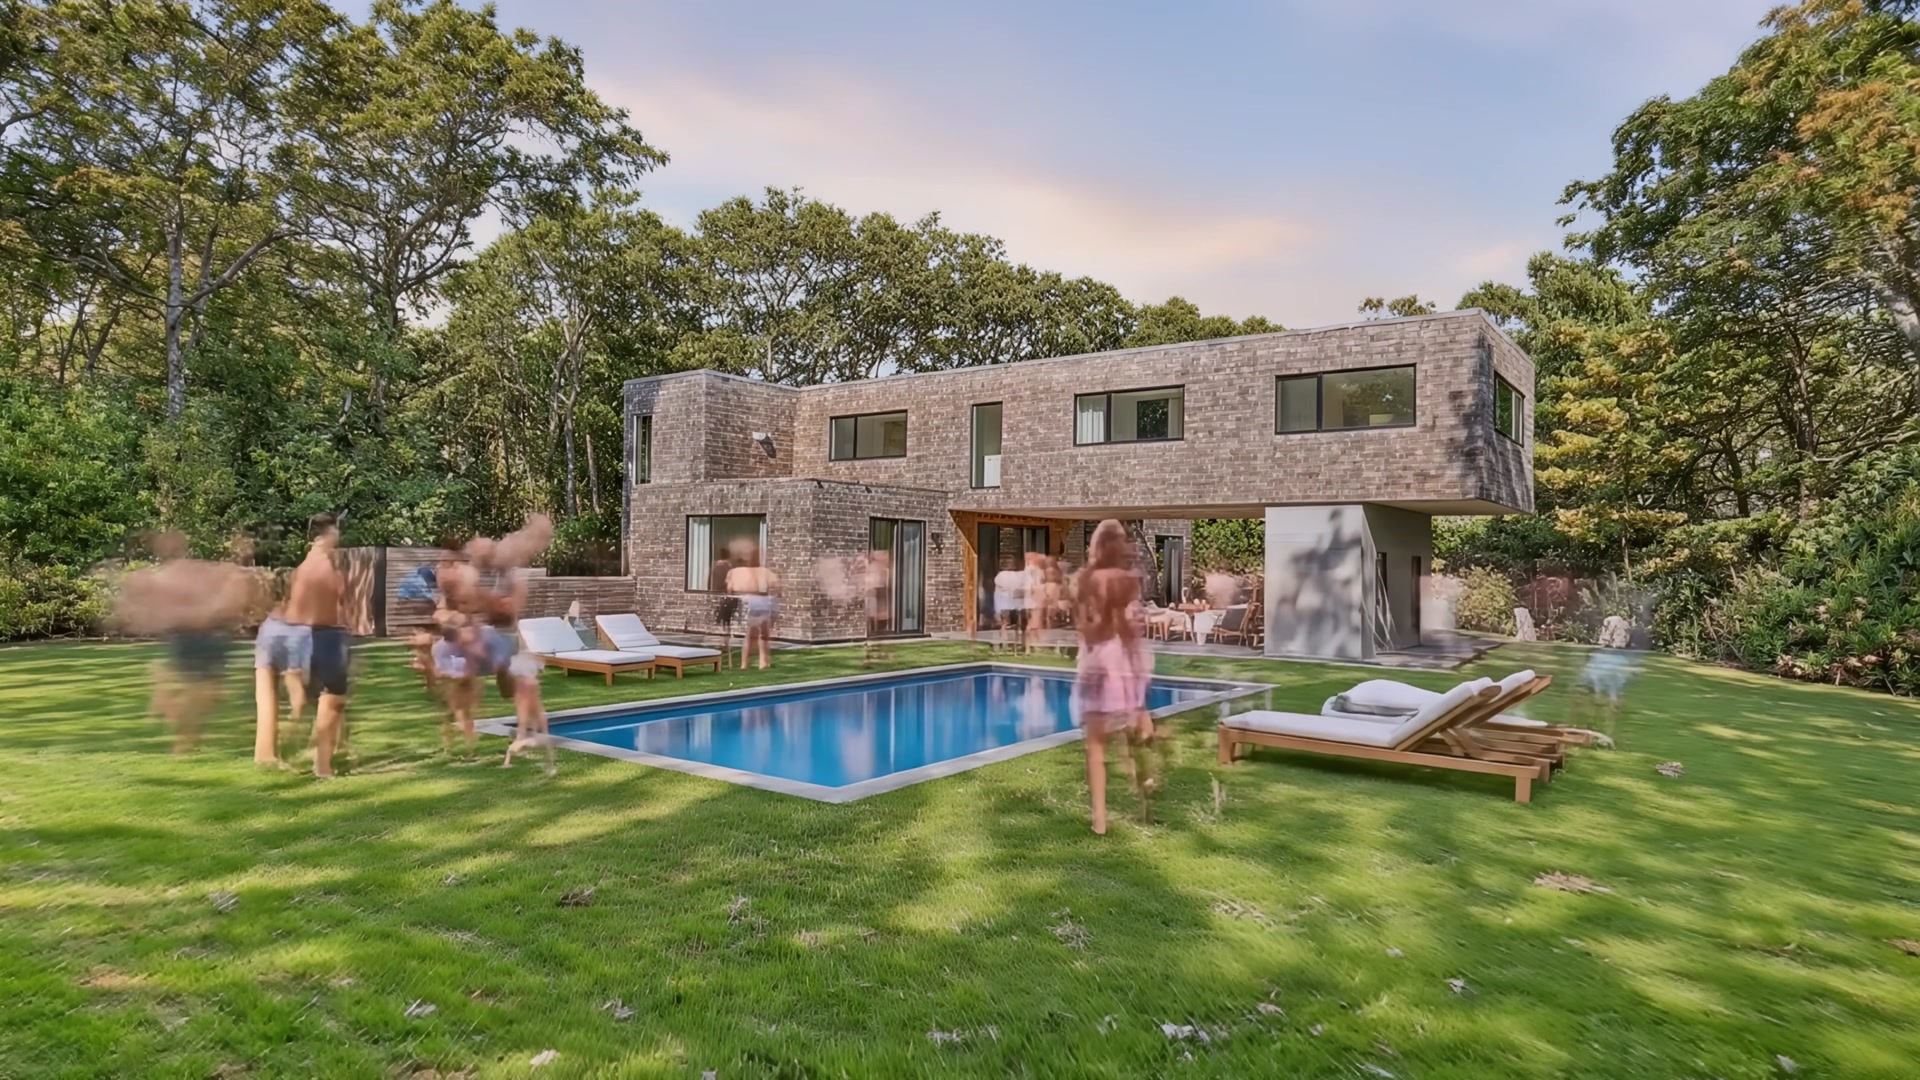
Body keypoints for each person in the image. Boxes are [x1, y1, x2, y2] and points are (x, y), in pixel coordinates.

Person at [117, 531, 255, 754]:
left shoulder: (195, 570)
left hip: (211, 636)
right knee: (200, 693)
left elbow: (226, 585)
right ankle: (183, 739)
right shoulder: (165, 576)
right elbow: (155, 612)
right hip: (189, 637)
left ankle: (180, 725)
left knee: (210, 694)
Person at [1072, 520, 1162, 834]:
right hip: (1116, 662)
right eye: (1122, 540)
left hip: (1092, 664)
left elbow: (1082, 630)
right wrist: (1139, 679)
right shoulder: (1123, 581)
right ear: (1114, 545)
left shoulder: (1083, 580)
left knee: (1095, 747)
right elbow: (1128, 634)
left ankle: (1099, 820)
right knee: (1134, 738)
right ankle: (1145, 798)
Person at [286, 514, 350, 778]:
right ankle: (322, 766)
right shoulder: (324, 567)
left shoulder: (304, 566)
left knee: (323, 702)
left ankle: (317, 755)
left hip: (303, 637)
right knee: (332, 702)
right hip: (325, 636)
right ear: (329, 533)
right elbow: (338, 602)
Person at [252, 575, 311, 767]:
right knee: (300, 694)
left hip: (269, 632)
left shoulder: (273, 610)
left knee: (266, 699)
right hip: (295, 633)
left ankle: (265, 755)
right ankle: (293, 736)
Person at [726, 540, 778, 671]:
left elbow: (729, 588)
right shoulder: (763, 571)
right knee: (761, 635)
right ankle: (762, 662)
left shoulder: (735, 572)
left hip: (748, 601)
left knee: (752, 634)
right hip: (759, 601)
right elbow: (776, 585)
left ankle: (747, 663)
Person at [862, 547, 892, 667]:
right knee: (872, 627)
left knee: (878, 628)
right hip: (871, 598)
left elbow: (881, 584)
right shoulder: (868, 567)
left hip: (876, 598)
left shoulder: (878, 568)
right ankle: (870, 655)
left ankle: (879, 654)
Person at [993, 560, 1026, 652]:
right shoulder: (1017, 575)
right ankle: (1020, 644)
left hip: (1004, 604)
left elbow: (997, 594)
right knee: (1019, 625)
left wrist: (996, 609)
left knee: (1004, 624)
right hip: (1015, 604)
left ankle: (1005, 643)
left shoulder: (999, 577)